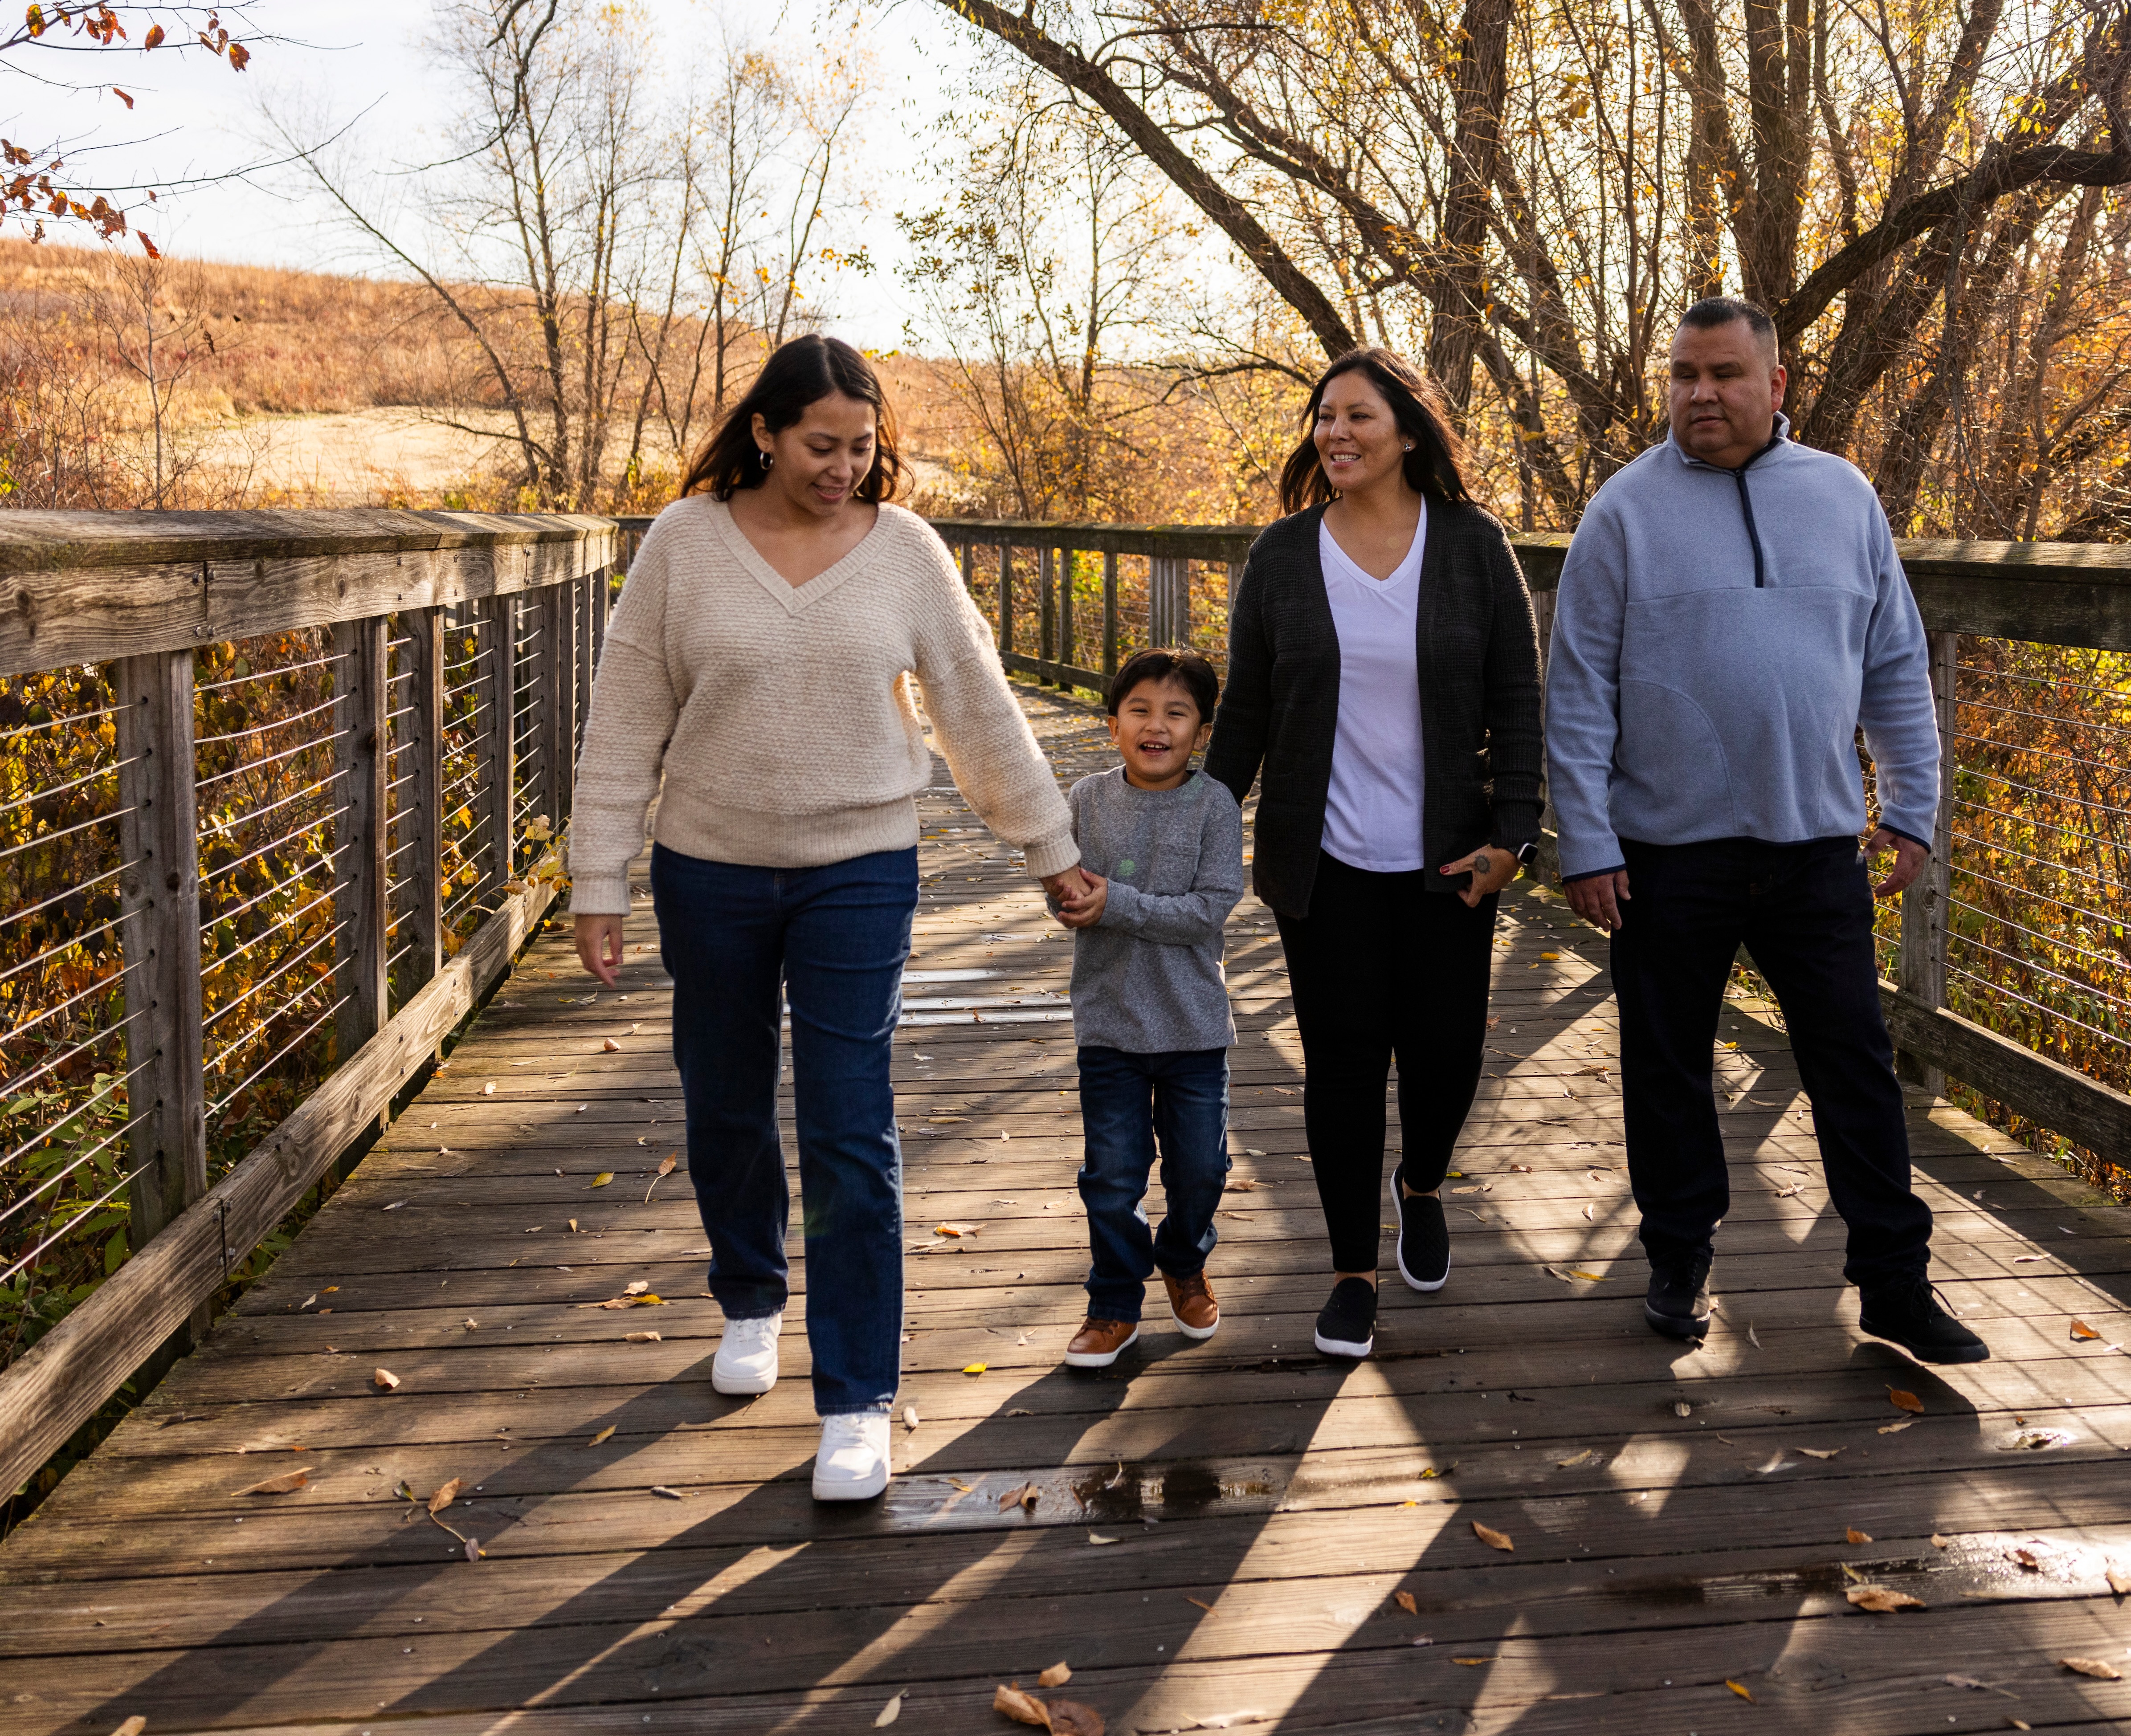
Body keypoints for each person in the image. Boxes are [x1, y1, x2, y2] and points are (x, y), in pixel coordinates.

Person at [567, 335, 1085, 1501]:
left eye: (863, 446)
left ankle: (856, 1399)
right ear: (765, 431)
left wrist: (1049, 847)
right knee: (727, 1101)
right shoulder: (684, 544)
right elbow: (624, 714)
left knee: (852, 1126)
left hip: (861, 864)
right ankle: (750, 1293)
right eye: (821, 445)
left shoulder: (905, 552)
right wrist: (596, 876)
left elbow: (979, 708)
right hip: (708, 868)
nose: (846, 466)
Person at [1544, 297, 1989, 1364]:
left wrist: (1914, 803)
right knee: (1667, 1066)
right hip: (1665, 853)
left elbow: (1894, 664)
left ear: (1776, 384)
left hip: (1814, 846)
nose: (1703, 393)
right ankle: (1677, 1256)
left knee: (1856, 1066)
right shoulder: (1623, 512)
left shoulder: (1842, 498)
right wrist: (1588, 841)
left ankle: (1893, 1282)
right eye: (1686, 374)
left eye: (1727, 373)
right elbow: (1575, 693)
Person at [1204, 347, 1544, 1362]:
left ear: (1407, 429)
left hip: (1449, 866)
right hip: (1328, 866)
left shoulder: (1475, 546)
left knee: (1447, 1057)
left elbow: (1519, 697)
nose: (1335, 433)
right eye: (1323, 417)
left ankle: (1423, 1184)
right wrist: (1194, 830)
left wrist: (1513, 834)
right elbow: (1249, 713)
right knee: (1344, 1066)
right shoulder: (1281, 556)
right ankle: (1352, 1271)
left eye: (1357, 415)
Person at [1049, 648, 1245, 1367]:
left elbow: (1210, 909)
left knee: (1201, 1168)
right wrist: (1071, 900)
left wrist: (1117, 904)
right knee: (1112, 1175)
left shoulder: (1215, 805)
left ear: (1200, 730)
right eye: (1139, 709)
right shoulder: (1086, 798)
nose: (1156, 724)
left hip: (1193, 1028)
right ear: (1112, 723)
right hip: (1109, 1025)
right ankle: (1113, 1302)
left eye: (1176, 712)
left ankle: (1184, 1257)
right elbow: (1063, 880)